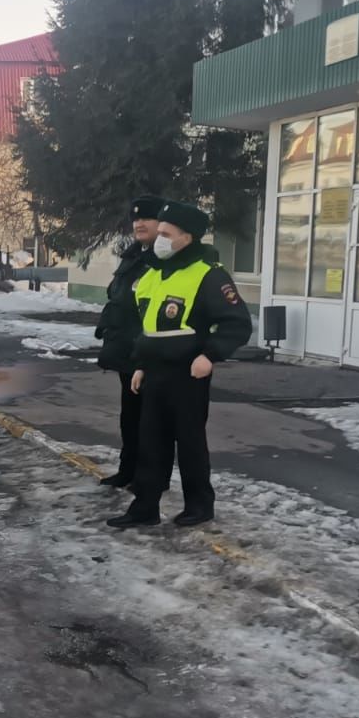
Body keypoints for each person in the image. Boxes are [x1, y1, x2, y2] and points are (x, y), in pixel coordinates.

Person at [107, 198, 251, 531]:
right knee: (150, 444)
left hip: (188, 372)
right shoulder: (156, 274)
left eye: (166, 233)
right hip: (155, 373)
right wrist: (141, 364)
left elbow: (237, 323)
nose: (159, 238)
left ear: (186, 237)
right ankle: (145, 507)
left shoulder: (208, 275)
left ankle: (199, 505)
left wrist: (209, 355)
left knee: (189, 444)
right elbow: (150, 327)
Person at [93, 198, 162, 488]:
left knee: (151, 422)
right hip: (127, 354)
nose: (139, 224)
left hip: (150, 353)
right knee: (130, 418)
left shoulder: (163, 259)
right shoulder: (133, 255)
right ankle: (129, 469)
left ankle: (149, 477)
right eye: (135, 220)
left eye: (147, 218)